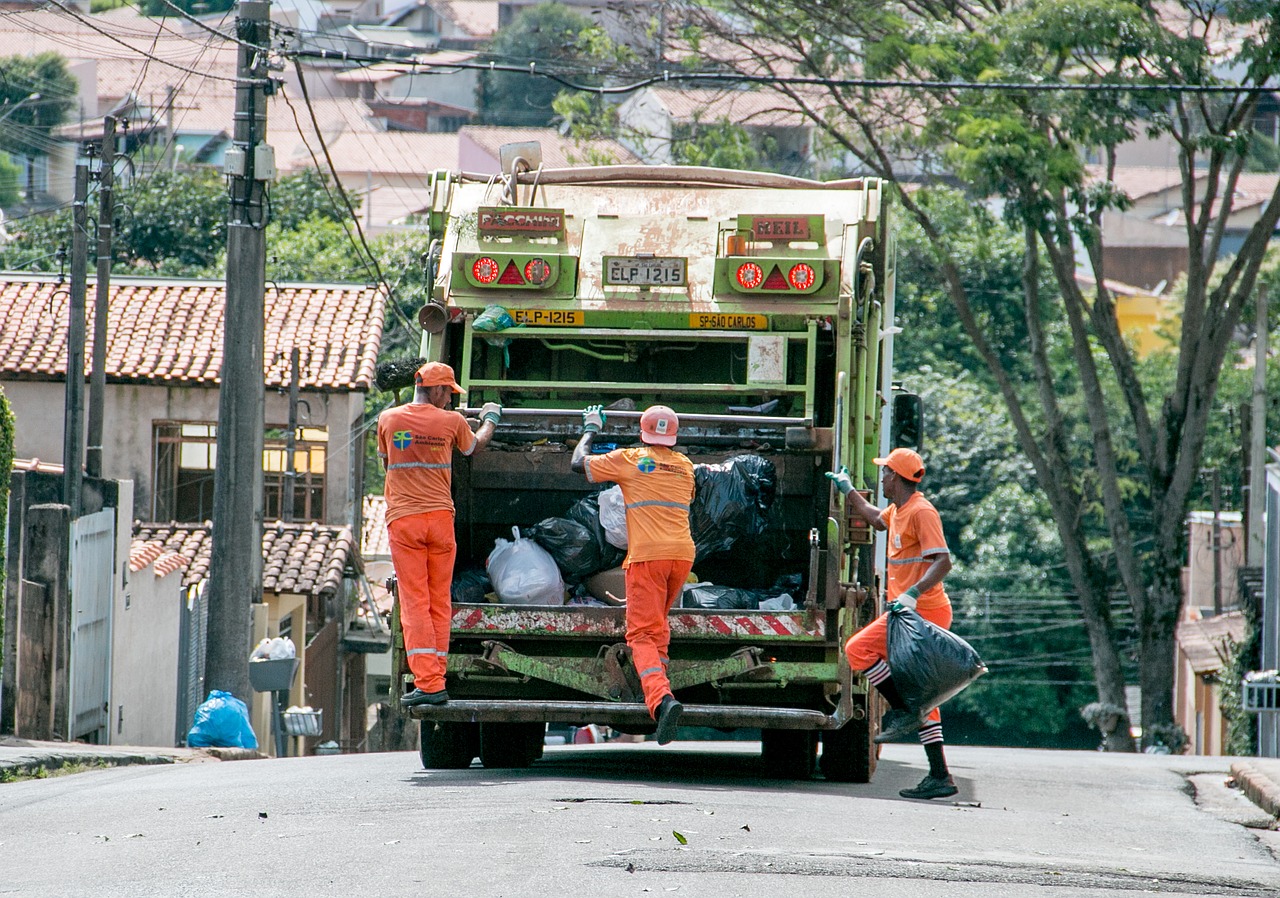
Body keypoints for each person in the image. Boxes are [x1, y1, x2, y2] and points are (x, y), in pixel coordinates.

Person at [826, 447, 957, 800]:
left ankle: (902, 711)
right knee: (925, 697)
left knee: (857, 648)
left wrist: (912, 593)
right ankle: (939, 774)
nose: (881, 477)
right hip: (908, 612)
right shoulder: (898, 510)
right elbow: (874, 518)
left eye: (885, 473)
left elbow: (943, 562)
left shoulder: (922, 512)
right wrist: (847, 489)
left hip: (922, 612)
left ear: (897, 478)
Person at [378, 362, 501, 708]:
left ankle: (429, 683)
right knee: (438, 601)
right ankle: (437, 677)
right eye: (447, 391)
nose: (449, 398)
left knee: (415, 603)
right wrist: (491, 418)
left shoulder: (388, 420)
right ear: (432, 389)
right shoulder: (452, 423)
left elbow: (388, 464)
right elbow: (475, 448)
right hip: (440, 522)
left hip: (405, 523)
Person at [570, 403, 694, 745]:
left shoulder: (632, 459)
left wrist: (591, 428)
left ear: (643, 432)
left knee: (639, 634)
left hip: (648, 558)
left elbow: (578, 463)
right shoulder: (685, 466)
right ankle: (655, 687)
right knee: (658, 628)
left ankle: (660, 701)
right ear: (673, 435)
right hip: (682, 556)